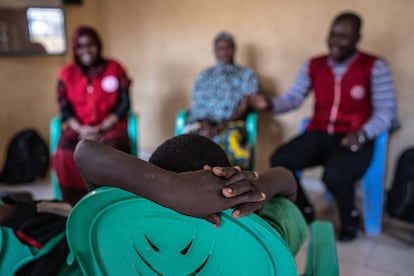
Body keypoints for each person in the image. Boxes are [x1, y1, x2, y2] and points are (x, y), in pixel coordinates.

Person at [0, 134, 307, 273]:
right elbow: (289, 185)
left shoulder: (115, 231)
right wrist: (259, 186)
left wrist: (168, 189)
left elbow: (86, 153)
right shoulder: (264, 232)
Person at [250, 11, 399, 242]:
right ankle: (305, 210)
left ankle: (349, 220)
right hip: (319, 132)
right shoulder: (314, 65)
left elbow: (386, 112)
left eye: (344, 36)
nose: (336, 41)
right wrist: (268, 103)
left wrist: (362, 132)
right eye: (333, 34)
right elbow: (293, 98)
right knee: (281, 160)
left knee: (335, 175)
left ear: (357, 38)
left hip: (354, 136)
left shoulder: (375, 66)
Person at [52, 26, 132, 205]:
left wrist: (101, 128)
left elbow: (124, 104)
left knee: (114, 148)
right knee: (64, 151)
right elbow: (65, 109)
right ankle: (75, 203)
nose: (86, 50)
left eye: (91, 45)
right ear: (75, 49)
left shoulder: (115, 68)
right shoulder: (67, 74)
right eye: (80, 46)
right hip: (78, 128)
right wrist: (82, 129)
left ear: (99, 45)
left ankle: (109, 199)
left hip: (111, 127)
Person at [185, 31, 263, 168]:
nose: (225, 52)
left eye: (228, 47)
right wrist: (206, 124)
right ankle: (193, 181)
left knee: (230, 140)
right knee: (187, 143)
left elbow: (245, 104)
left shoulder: (246, 75)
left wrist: (223, 125)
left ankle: (231, 184)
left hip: (232, 124)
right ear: (215, 51)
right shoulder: (205, 75)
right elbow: (197, 103)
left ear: (234, 49)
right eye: (221, 48)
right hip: (203, 123)